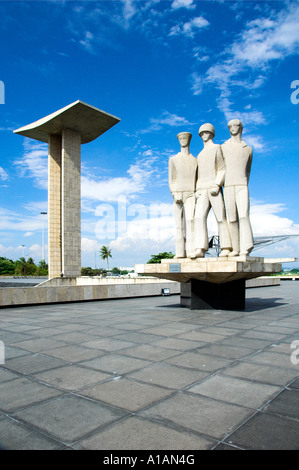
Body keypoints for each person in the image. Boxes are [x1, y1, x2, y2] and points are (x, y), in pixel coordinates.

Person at [194, 123, 231, 258]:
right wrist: (198, 188)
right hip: (202, 189)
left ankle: (226, 247)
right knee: (198, 218)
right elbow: (199, 175)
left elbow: (222, 168)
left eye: (206, 132)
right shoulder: (200, 154)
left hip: (214, 188)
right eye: (202, 133)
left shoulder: (217, 148)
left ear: (212, 133)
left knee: (220, 217)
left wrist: (217, 184)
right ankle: (200, 247)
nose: (204, 135)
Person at [221, 119, 254, 256]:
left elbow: (248, 170)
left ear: (240, 127)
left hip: (242, 184)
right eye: (230, 126)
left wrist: (244, 182)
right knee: (232, 219)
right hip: (228, 185)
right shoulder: (223, 147)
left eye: (235, 125)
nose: (232, 128)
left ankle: (246, 246)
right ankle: (235, 248)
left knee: (244, 216)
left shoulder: (248, 149)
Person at [168, 132, 197, 258]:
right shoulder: (173, 159)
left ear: (189, 140)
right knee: (179, 225)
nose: (183, 140)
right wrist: (174, 194)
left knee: (191, 222)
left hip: (191, 193)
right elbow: (171, 180)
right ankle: (179, 252)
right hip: (178, 194)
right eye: (181, 138)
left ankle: (191, 251)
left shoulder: (195, 160)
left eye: (185, 138)